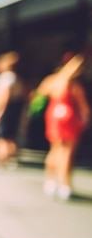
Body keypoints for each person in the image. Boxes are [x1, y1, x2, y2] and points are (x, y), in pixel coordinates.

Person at [36, 53, 90, 200]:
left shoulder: (51, 81)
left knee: (54, 150)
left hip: (54, 117)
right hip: (70, 119)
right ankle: (65, 185)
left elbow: (38, 97)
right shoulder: (74, 86)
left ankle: (50, 181)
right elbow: (84, 108)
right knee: (67, 153)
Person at [0, 51, 25, 169]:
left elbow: (4, 95)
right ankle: (12, 158)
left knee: (1, 136)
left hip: (6, 109)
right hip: (14, 108)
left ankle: (1, 160)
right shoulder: (16, 77)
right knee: (11, 135)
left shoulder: (6, 77)